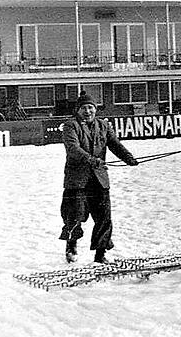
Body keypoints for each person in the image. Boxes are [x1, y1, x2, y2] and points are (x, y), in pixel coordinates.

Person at [60, 92, 138, 264]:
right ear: (78, 110)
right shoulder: (70, 126)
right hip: (77, 180)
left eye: (91, 107)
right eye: (84, 108)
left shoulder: (103, 125)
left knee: (104, 218)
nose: (88, 111)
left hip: (99, 180)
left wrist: (129, 158)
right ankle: (71, 243)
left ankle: (100, 254)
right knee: (74, 215)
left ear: (95, 109)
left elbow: (115, 144)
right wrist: (92, 160)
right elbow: (73, 149)